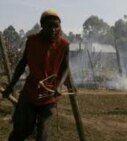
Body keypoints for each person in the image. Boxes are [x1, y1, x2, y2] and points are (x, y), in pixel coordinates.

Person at [2, 9, 75, 141]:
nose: (53, 30)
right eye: (49, 26)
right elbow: (22, 64)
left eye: (56, 26)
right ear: (42, 25)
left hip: (49, 95)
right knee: (23, 131)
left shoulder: (64, 45)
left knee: (43, 136)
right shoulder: (32, 41)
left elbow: (66, 68)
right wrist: (10, 86)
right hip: (30, 93)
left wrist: (59, 86)